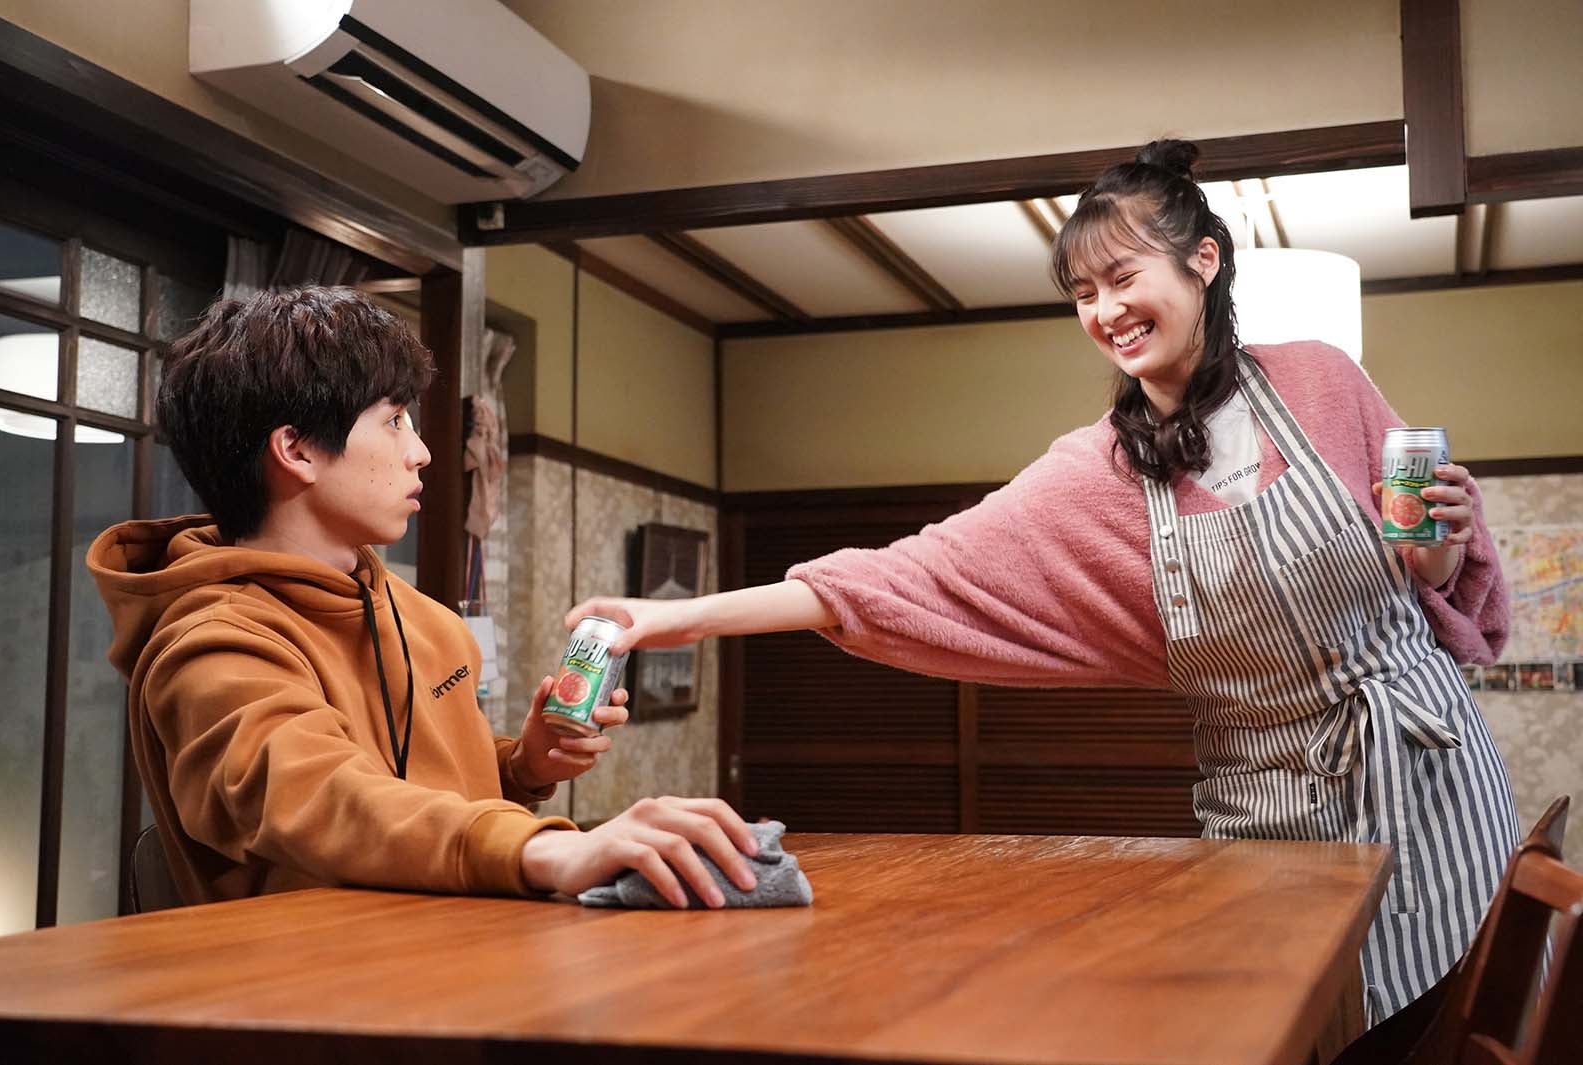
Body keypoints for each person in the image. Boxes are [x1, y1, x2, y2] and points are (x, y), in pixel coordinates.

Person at [566, 140, 1520, 1021]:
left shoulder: (1322, 380)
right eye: (1083, 293)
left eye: (1124, 277)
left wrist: (1443, 537)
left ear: (1204, 262)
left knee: (1459, 1019)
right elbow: (902, 576)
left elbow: (1428, 574)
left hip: (1433, 773)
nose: (1105, 311)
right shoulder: (1096, 473)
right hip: (1272, 813)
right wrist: (680, 618)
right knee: (1295, 1026)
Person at [89, 286, 757, 911]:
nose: (422, 452)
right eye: (395, 420)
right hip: (319, 985)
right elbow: (320, 799)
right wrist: (549, 847)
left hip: (465, 957)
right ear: (297, 450)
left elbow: (427, 799)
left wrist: (521, 765)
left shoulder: (427, 621)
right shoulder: (212, 645)